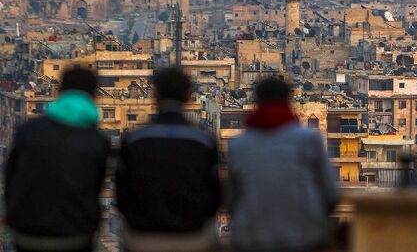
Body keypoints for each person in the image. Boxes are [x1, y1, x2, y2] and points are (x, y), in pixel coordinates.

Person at [4, 68, 110, 252]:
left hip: (29, 234)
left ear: (59, 92)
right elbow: (95, 188)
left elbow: (11, 179)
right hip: (75, 236)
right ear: (94, 96)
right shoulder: (97, 141)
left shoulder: (28, 131)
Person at [116, 68, 220, 252]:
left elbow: (122, 194)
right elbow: (215, 195)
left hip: (143, 238)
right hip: (192, 238)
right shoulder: (203, 142)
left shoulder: (134, 140)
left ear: (156, 97)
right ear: (188, 97)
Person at [229, 78, 339, 252]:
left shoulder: (239, 145)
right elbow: (331, 194)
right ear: (288, 100)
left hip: (253, 239)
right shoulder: (309, 139)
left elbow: (231, 200)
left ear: (257, 101)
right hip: (304, 238)